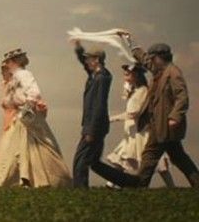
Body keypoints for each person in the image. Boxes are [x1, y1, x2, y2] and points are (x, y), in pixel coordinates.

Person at [93, 32, 199, 188]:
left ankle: (140, 184)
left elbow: (182, 97)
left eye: (152, 58)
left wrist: (175, 116)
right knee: (173, 156)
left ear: (158, 57)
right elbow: (142, 58)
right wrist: (129, 41)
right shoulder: (159, 71)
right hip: (158, 126)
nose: (150, 61)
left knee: (156, 156)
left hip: (165, 126)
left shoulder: (173, 73)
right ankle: (143, 183)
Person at [0, 49, 71, 188]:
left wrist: (26, 108)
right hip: (21, 118)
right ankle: (24, 179)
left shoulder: (23, 74)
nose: (7, 65)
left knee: (31, 149)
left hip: (27, 118)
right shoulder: (16, 76)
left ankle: (28, 179)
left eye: (9, 62)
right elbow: (12, 99)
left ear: (15, 62)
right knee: (19, 150)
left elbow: (34, 92)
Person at [104, 63, 174, 187]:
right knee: (122, 158)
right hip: (132, 132)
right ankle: (111, 183)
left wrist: (112, 118)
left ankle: (171, 186)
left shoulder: (143, 91)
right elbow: (127, 101)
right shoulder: (136, 91)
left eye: (128, 73)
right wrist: (127, 88)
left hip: (140, 132)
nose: (125, 74)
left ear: (136, 75)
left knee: (152, 160)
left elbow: (133, 113)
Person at [70, 41, 112, 188]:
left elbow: (99, 106)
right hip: (94, 126)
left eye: (89, 59)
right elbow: (83, 62)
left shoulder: (102, 78)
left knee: (80, 160)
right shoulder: (95, 75)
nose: (86, 61)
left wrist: (91, 130)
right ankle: (129, 181)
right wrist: (78, 47)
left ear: (96, 60)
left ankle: (80, 190)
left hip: (95, 127)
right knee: (94, 163)